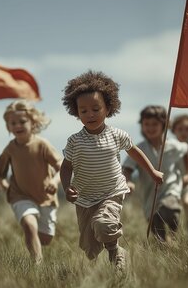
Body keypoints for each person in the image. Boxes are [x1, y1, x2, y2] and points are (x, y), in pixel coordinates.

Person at [60, 70, 163, 270]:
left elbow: (135, 153)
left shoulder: (117, 135)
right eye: (83, 111)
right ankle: (108, 251)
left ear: (108, 108)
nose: (90, 114)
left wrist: (152, 172)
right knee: (89, 248)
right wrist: (67, 187)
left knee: (104, 224)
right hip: (84, 197)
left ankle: (116, 251)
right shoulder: (75, 141)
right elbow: (66, 167)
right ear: (76, 112)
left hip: (111, 192)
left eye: (96, 109)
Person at [0, 100, 62, 264]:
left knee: (45, 239)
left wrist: (54, 180)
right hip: (20, 195)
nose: (18, 125)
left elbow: (62, 167)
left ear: (33, 122)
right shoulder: (10, 148)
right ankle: (37, 265)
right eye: (13, 123)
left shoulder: (42, 145)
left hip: (45, 197)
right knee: (29, 225)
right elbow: (0, 172)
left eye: (22, 121)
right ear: (8, 126)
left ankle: (36, 243)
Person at [123, 106, 188, 242]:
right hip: (150, 198)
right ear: (141, 126)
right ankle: (168, 247)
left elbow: (187, 152)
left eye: (155, 124)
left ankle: (176, 235)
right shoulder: (139, 148)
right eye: (146, 124)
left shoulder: (174, 145)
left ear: (164, 125)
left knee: (170, 209)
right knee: (159, 235)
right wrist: (128, 181)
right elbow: (127, 168)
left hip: (170, 190)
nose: (150, 128)